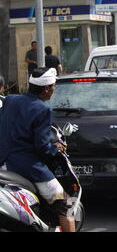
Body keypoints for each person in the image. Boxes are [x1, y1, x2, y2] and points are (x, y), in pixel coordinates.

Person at [0, 68, 75, 232]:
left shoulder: (11, 100)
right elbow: (42, 147)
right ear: (47, 88)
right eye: (54, 86)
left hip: (3, 163)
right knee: (66, 205)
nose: (54, 89)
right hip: (27, 167)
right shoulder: (42, 109)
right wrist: (55, 149)